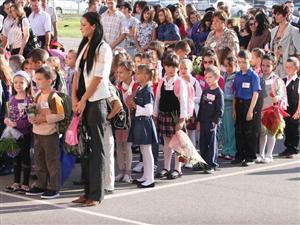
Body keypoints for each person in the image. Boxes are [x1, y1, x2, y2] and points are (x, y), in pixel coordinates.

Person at [71, 12, 112, 207]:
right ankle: (86, 191)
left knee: (96, 149)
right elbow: (77, 74)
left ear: (94, 26)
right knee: (84, 149)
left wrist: (84, 100)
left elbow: (98, 78)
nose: (81, 28)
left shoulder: (103, 48)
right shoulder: (84, 46)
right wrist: (74, 98)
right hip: (81, 102)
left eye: (84, 24)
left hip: (96, 102)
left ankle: (96, 194)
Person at [26, 66, 64, 199]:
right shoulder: (38, 95)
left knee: (52, 161)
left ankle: (54, 187)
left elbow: (60, 115)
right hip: (37, 133)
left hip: (50, 134)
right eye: (36, 79)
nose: (37, 82)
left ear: (50, 80)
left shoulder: (54, 97)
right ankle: (41, 185)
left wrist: (43, 118)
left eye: (40, 79)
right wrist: (31, 117)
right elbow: (33, 109)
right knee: (39, 160)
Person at [154, 53, 187, 180]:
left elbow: (183, 102)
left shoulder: (180, 82)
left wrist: (181, 120)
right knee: (167, 144)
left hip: (175, 116)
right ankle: (166, 167)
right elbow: (158, 99)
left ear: (178, 67)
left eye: (174, 66)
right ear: (164, 66)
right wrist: (155, 115)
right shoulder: (162, 82)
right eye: (168, 66)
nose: (171, 69)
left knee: (178, 143)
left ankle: (177, 169)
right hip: (164, 114)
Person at [128, 64, 158, 188]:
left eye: (138, 73)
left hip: (145, 123)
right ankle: (145, 176)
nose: (135, 75)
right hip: (139, 122)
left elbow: (149, 111)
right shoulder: (141, 88)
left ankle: (150, 179)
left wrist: (136, 107)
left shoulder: (148, 90)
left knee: (147, 151)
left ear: (145, 76)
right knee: (143, 151)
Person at [232, 50, 261, 167]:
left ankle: (250, 156)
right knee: (239, 131)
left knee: (250, 132)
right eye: (239, 62)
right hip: (239, 103)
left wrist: (250, 111)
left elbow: (255, 94)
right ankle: (240, 155)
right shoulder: (237, 75)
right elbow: (235, 92)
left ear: (250, 61)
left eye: (244, 62)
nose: (242, 65)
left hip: (249, 104)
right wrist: (234, 109)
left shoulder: (253, 76)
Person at [5, 71, 32, 193]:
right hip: (12, 133)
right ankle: (16, 182)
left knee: (25, 158)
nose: (18, 85)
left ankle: (25, 183)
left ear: (28, 84)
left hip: (24, 134)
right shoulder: (11, 99)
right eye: (16, 82)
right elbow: (9, 114)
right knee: (15, 158)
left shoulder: (29, 100)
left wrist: (17, 124)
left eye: (21, 82)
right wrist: (7, 120)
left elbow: (30, 119)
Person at [257, 53, 287, 163]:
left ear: (273, 66)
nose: (265, 68)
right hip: (261, 110)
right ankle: (261, 154)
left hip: (271, 111)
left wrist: (277, 98)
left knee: (271, 132)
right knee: (262, 132)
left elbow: (282, 94)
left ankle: (269, 154)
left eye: (268, 66)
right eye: (263, 65)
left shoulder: (277, 79)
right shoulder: (258, 78)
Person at [115, 60, 138, 183]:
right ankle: (121, 170)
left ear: (130, 72)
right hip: (119, 119)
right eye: (118, 72)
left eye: (121, 72)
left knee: (127, 145)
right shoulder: (118, 86)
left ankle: (128, 172)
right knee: (119, 144)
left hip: (130, 119)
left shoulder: (136, 85)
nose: (119, 75)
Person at [198, 65, 224, 173]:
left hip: (212, 123)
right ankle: (203, 162)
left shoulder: (219, 93)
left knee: (212, 144)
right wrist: (199, 121)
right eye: (206, 77)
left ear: (217, 77)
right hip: (203, 121)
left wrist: (215, 122)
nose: (207, 80)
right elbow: (201, 105)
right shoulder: (205, 91)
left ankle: (212, 164)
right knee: (202, 143)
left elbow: (220, 110)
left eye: (210, 77)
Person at [270, 4, 300, 78]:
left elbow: (299, 53)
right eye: (274, 14)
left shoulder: (294, 30)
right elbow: (272, 51)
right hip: (275, 69)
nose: (275, 16)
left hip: (289, 70)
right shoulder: (273, 31)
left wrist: (296, 71)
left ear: (285, 15)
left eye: (278, 14)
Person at [279, 57, 300, 158]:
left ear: (296, 68)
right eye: (286, 67)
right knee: (287, 128)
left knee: (294, 129)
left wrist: (298, 111)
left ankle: (293, 148)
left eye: (290, 67)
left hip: (295, 109)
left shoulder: (298, 81)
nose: (287, 69)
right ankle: (288, 147)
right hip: (285, 109)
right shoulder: (283, 80)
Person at [178, 58, 202, 148]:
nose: (183, 70)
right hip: (180, 110)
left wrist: (190, 99)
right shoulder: (178, 81)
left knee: (191, 132)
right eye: (181, 68)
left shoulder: (195, 82)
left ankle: (192, 154)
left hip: (192, 111)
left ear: (190, 69)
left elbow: (200, 97)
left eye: (185, 68)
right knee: (181, 133)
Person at [222, 56, 237, 160]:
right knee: (225, 129)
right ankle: (225, 149)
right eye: (226, 66)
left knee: (231, 130)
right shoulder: (224, 76)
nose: (228, 68)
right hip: (223, 106)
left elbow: (235, 94)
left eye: (230, 66)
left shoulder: (236, 77)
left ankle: (232, 151)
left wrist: (234, 108)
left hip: (231, 105)